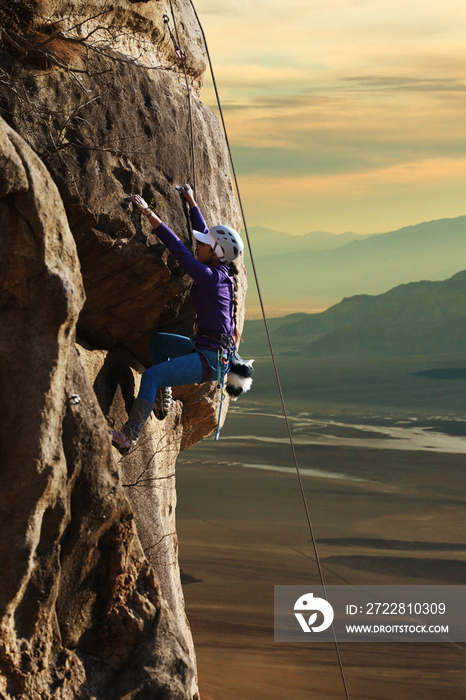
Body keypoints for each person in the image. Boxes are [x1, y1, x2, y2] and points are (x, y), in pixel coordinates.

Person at [111, 185, 244, 453]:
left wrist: (149, 214)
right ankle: (164, 395)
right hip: (207, 347)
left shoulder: (210, 278)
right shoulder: (218, 270)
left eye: (204, 245)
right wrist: (192, 202)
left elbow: (179, 252)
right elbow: (206, 234)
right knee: (158, 342)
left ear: (216, 253)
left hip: (210, 359)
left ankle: (128, 438)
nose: (198, 245)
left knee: (150, 376)